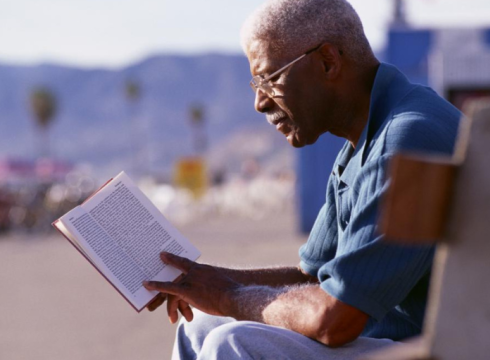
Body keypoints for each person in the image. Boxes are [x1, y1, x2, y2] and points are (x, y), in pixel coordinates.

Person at [144, 0, 461, 358]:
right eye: (255, 85)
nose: (260, 103)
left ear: (328, 61)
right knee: (199, 325)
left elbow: (336, 319)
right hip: (386, 341)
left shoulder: (405, 140)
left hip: (435, 349)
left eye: (269, 79)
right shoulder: (364, 142)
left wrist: (227, 296)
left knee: (229, 343)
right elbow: (312, 277)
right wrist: (202, 280)